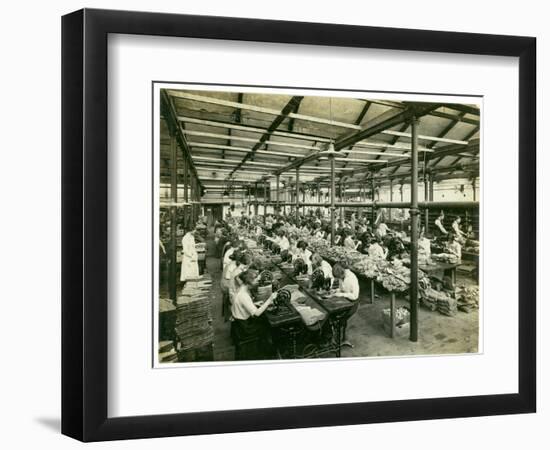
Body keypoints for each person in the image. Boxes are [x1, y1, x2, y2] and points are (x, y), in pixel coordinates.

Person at [230, 270, 276, 360]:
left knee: (264, 320)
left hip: (238, 324)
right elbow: (257, 313)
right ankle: (266, 352)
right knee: (267, 325)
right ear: (249, 282)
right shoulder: (243, 295)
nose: (257, 282)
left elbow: (245, 305)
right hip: (244, 328)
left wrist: (256, 303)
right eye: (256, 281)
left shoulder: (241, 289)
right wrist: (270, 299)